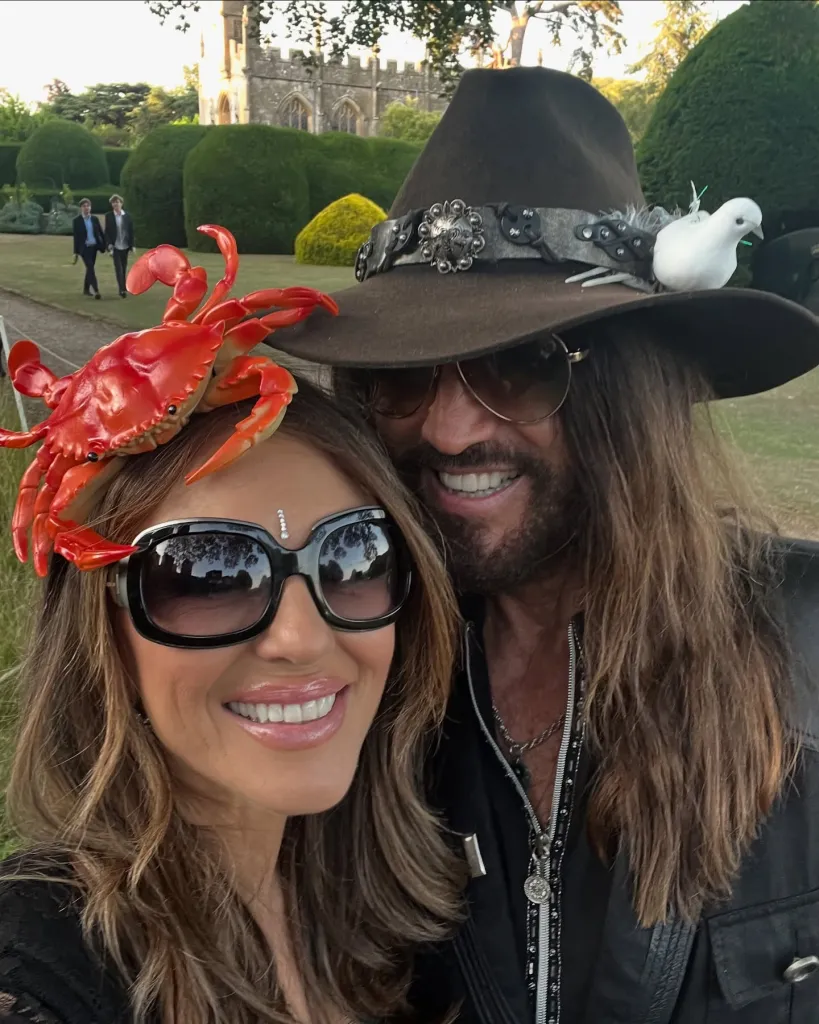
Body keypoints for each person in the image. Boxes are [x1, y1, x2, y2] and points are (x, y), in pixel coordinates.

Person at [271, 67, 819, 1023]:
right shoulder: (351, 669)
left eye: (522, 365)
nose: (447, 431)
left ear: (633, 392)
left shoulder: (803, 654)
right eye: (403, 376)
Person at [0, 238, 463, 1023]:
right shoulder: (41, 960)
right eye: (205, 575)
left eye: (352, 555)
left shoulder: (405, 917)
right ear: (99, 629)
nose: (299, 638)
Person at [71, 198, 105, 300]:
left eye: (88, 206)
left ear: (90, 207)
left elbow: (100, 232)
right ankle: (96, 290)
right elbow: (76, 237)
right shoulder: (77, 221)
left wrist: (105, 245)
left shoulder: (94, 219)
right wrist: (75, 252)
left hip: (94, 247)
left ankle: (86, 289)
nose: (86, 208)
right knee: (90, 267)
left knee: (89, 268)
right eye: (84, 206)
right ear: (81, 208)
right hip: (84, 248)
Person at [104, 194, 135, 298]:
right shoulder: (109, 216)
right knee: (118, 268)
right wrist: (109, 244)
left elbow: (131, 231)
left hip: (125, 245)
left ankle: (123, 287)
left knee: (124, 267)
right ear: (111, 204)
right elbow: (107, 232)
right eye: (113, 202)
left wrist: (132, 245)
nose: (116, 204)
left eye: (117, 202)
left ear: (121, 203)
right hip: (115, 246)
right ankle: (121, 290)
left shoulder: (127, 216)